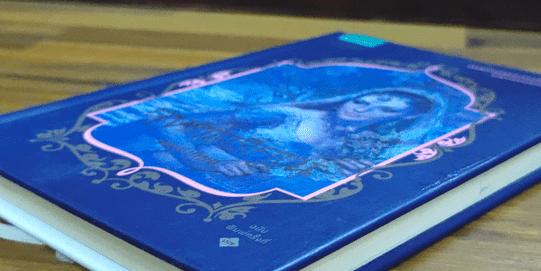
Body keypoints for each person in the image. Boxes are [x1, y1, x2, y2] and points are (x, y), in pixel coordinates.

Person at [141, 87, 437, 183]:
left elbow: (291, 168)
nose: (362, 109)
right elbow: (168, 122)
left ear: (403, 118)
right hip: (172, 167)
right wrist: (209, 163)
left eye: (384, 109)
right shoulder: (288, 114)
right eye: (365, 100)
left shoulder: (364, 144)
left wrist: (335, 168)